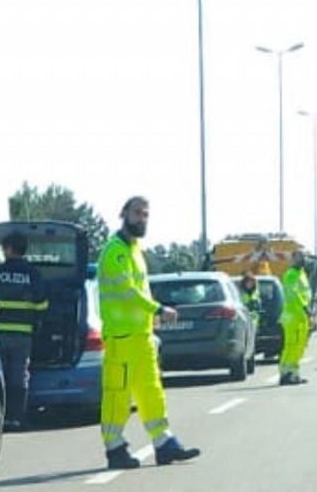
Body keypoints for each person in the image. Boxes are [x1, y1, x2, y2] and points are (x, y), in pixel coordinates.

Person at [96, 195, 201, 469]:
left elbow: (141, 290)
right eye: (137, 213)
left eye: (145, 214)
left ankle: (164, 443)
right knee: (118, 395)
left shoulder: (135, 251)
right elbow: (127, 291)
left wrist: (151, 320)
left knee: (151, 391)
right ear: (124, 214)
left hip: (140, 337)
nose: (142, 219)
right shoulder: (114, 251)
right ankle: (114, 446)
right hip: (121, 339)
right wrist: (157, 310)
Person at [0, 231, 48, 431]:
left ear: (8, 249)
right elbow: (42, 304)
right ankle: (17, 418)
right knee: (19, 377)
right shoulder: (33, 274)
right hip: (22, 335)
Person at [278, 250, 313, 385]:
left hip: (301, 315)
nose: (302, 260)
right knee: (291, 345)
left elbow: (305, 293)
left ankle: (294, 373)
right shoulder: (291, 275)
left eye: (303, 257)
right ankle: (285, 373)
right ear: (292, 260)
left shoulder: (302, 274)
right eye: (299, 257)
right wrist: (305, 307)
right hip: (292, 315)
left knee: (301, 345)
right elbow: (294, 294)